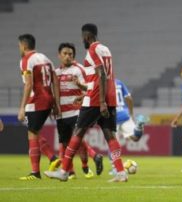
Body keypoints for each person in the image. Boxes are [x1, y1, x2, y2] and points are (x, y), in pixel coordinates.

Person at [45, 23, 127, 182]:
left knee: (77, 133)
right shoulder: (106, 49)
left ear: (87, 37)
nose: (82, 40)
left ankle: (63, 171)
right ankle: (121, 172)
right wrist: (86, 94)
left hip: (97, 99)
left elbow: (101, 74)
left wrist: (100, 101)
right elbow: (99, 78)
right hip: (109, 97)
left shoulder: (92, 50)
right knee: (110, 135)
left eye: (83, 37)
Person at [55, 42, 103, 179]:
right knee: (66, 143)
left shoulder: (80, 69)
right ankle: (73, 171)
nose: (68, 56)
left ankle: (88, 162)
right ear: (59, 55)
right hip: (61, 113)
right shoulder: (56, 72)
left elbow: (90, 87)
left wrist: (80, 90)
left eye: (70, 54)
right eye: (65, 54)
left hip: (76, 111)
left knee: (76, 139)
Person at [17, 34, 61, 180]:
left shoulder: (26, 60)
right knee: (34, 132)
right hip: (47, 101)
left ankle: (35, 172)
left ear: (23, 46)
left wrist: (22, 107)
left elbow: (28, 84)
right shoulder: (46, 58)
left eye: (19, 46)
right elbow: (55, 80)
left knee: (32, 135)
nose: (19, 49)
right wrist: (55, 102)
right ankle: (52, 158)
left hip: (36, 102)